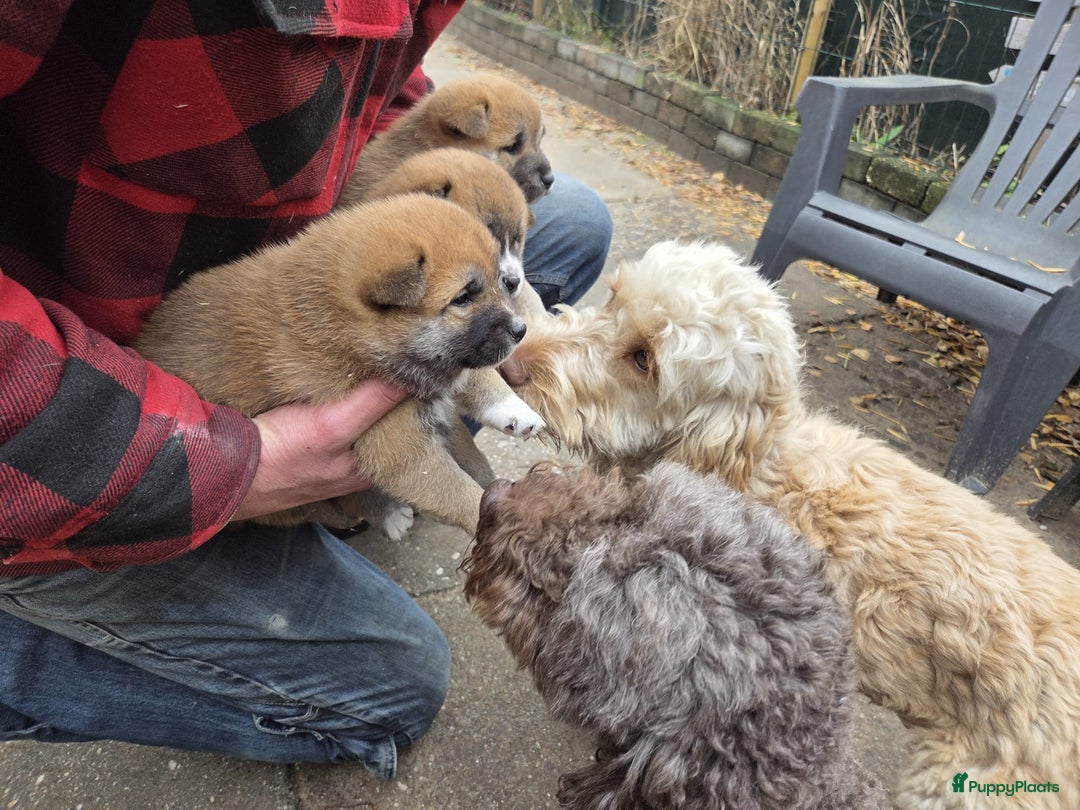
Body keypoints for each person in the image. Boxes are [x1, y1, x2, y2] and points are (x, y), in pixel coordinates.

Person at [0, 0, 612, 776]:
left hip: (252, 268)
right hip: (57, 430)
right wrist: (233, 463)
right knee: (392, 688)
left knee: (578, 220)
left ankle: (353, 475)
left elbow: (382, 96)